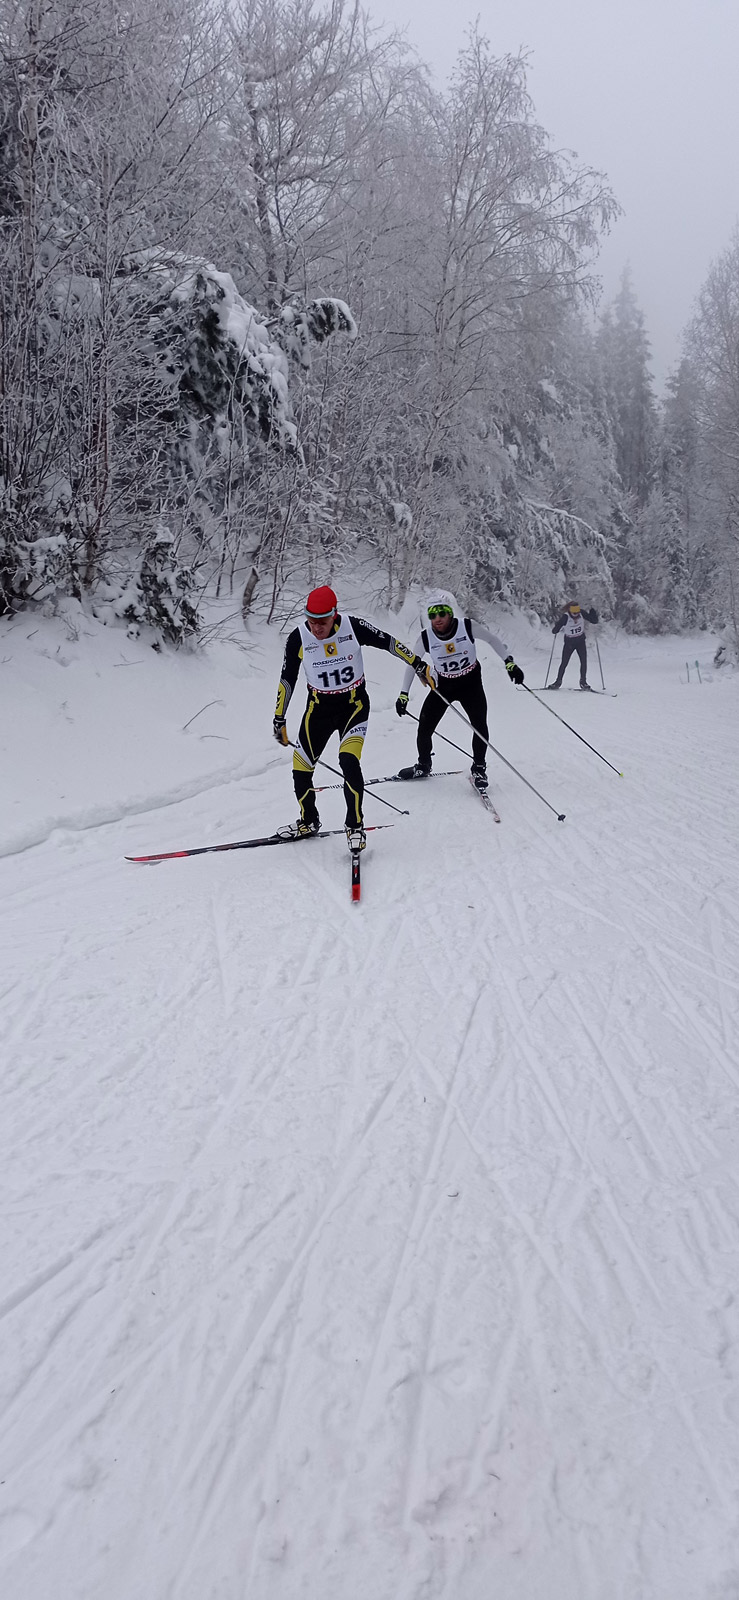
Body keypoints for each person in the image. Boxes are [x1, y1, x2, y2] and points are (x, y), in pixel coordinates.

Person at [273, 585, 434, 848]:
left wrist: (418, 664)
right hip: (318, 710)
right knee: (301, 768)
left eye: (322, 622)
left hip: (353, 707)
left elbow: (389, 643)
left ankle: (355, 826)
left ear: (334, 614)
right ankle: (309, 821)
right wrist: (279, 717)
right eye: (311, 622)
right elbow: (287, 679)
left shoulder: (352, 627)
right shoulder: (299, 638)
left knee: (348, 761)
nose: (316, 629)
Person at [394, 591, 524, 792]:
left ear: (450, 613)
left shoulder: (467, 626)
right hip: (443, 686)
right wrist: (403, 693)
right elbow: (412, 663)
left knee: (479, 727)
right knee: (424, 728)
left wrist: (509, 663)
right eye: (432, 615)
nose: (437, 619)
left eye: (441, 613)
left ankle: (479, 768)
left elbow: (492, 640)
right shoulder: (426, 637)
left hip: (470, 683)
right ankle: (423, 765)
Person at [548, 600, 599, 689]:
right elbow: (555, 630)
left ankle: (583, 682)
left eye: (577, 612)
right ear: (570, 611)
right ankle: (558, 682)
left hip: (580, 641)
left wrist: (593, 613)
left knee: (583, 662)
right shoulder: (566, 617)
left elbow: (594, 621)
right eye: (574, 612)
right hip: (569, 643)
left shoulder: (581, 613)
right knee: (564, 663)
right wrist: (557, 626)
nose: (576, 614)